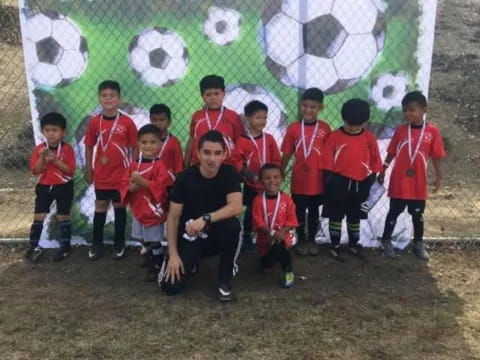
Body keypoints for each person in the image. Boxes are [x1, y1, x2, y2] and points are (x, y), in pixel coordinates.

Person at [161, 130, 243, 302]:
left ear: (224, 155)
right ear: (197, 153)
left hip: (216, 233)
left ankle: (224, 280)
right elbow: (173, 218)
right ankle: (187, 260)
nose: (211, 159)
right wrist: (174, 255)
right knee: (170, 288)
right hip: (191, 235)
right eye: (206, 152)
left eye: (217, 153)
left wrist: (205, 218)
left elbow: (236, 207)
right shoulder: (185, 178)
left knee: (233, 227)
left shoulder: (229, 173)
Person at [378, 91, 446, 260]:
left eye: (412, 110)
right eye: (405, 110)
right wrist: (383, 169)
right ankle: (386, 240)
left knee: (418, 214)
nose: (408, 114)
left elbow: (436, 156)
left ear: (424, 109)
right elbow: (392, 152)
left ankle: (418, 243)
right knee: (394, 211)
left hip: (418, 182)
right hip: (400, 180)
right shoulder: (401, 131)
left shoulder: (432, 131)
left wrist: (438, 177)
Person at [321, 99, 382, 262]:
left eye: (357, 125)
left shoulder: (369, 138)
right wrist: (329, 178)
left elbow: (376, 159)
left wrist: (373, 175)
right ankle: (335, 245)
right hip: (338, 182)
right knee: (336, 215)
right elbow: (326, 158)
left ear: (364, 122)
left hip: (360, 183)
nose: (352, 128)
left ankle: (354, 243)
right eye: (349, 124)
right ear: (343, 118)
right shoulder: (335, 136)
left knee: (355, 215)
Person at [84, 80, 137, 260]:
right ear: (99, 98)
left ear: (119, 99)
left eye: (112, 96)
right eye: (104, 96)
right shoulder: (94, 122)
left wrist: (134, 170)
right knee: (100, 207)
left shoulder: (127, 122)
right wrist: (88, 168)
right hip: (101, 174)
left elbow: (135, 147)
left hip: (121, 175)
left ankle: (119, 242)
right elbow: (89, 146)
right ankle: (96, 243)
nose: (108, 99)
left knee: (119, 207)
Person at [281, 88, 331, 256]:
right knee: (299, 210)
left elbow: (330, 154)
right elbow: (287, 152)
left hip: (317, 179)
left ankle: (312, 240)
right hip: (299, 179)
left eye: (313, 107)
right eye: (304, 106)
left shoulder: (325, 128)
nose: (308, 110)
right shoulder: (293, 128)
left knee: (314, 211)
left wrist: (329, 176)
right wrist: (281, 171)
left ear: (321, 108)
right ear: (300, 105)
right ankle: (301, 239)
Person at [120, 125, 173, 281]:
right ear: (138, 143)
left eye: (153, 142)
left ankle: (157, 265)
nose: (148, 146)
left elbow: (162, 186)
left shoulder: (159, 165)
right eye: (144, 142)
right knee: (141, 237)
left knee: (154, 240)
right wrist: (133, 186)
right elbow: (125, 185)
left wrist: (143, 182)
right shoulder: (133, 165)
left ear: (160, 144)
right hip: (138, 207)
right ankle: (151, 256)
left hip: (153, 209)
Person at [27, 112, 76, 262]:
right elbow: (36, 171)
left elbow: (70, 170)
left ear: (63, 132)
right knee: (39, 215)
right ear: (42, 132)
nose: (51, 134)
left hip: (63, 186)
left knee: (63, 215)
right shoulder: (39, 149)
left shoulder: (67, 149)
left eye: (55, 130)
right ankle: (33, 247)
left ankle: (65, 247)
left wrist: (55, 160)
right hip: (44, 186)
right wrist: (42, 157)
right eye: (47, 130)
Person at [232, 100, 281, 250]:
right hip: (252, 184)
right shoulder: (242, 140)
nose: (262, 121)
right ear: (247, 118)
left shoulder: (270, 139)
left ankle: (267, 235)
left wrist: (274, 177)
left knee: (270, 209)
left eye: (264, 118)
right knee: (252, 211)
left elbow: (276, 159)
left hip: (269, 184)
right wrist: (249, 175)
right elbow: (236, 160)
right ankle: (246, 236)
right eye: (257, 118)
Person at [252, 164, 298, 288]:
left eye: (276, 177)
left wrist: (280, 233)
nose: (272, 181)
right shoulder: (257, 200)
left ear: (282, 179)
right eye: (267, 178)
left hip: (282, 236)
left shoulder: (287, 199)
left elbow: (291, 221)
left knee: (279, 244)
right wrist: (272, 233)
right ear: (261, 181)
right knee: (266, 269)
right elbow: (258, 223)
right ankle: (271, 260)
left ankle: (288, 270)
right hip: (265, 239)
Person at [183, 74, 243, 167]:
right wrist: (186, 165)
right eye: (208, 94)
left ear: (223, 94)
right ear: (202, 96)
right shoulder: (197, 116)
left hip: (226, 165)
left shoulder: (233, 116)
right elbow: (192, 140)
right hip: (199, 165)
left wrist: (239, 167)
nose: (213, 97)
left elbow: (239, 143)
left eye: (216, 93)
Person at [149, 103, 183, 179]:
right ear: (150, 120)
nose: (157, 123)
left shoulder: (174, 142)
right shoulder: (146, 141)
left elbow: (178, 165)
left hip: (168, 181)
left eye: (161, 120)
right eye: (154, 120)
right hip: (149, 181)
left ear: (169, 122)